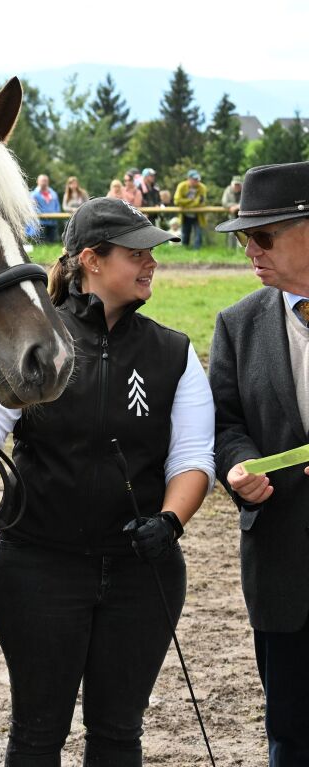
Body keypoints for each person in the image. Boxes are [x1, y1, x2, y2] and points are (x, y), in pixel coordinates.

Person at [0, 196, 214, 766]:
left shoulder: (173, 352)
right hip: (37, 569)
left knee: (119, 733)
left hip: (139, 572)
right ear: (91, 261)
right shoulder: (34, 341)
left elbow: (193, 458)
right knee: (36, 734)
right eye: (137, 253)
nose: (152, 264)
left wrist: (169, 521)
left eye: (152, 253)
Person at [210, 160, 309, 766]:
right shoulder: (237, 324)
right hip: (281, 571)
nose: (250, 249)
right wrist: (240, 466)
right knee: (291, 737)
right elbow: (225, 424)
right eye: (244, 237)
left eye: (263, 235)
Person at [174, 169, 208, 249]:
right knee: (185, 234)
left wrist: (186, 204)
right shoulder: (181, 186)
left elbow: (202, 202)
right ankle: (185, 250)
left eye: (198, 179)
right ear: (189, 179)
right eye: (195, 179)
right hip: (185, 215)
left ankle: (197, 252)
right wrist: (192, 200)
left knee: (198, 234)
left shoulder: (202, 187)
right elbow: (177, 201)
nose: (197, 181)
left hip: (198, 215)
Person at [31, 173, 61, 243]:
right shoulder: (34, 194)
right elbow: (33, 206)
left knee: (52, 241)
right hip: (40, 221)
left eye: (45, 180)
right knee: (41, 242)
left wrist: (56, 214)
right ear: (37, 181)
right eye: (42, 180)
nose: (44, 182)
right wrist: (40, 214)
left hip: (52, 220)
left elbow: (57, 205)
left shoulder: (53, 193)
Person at [221, 175, 243, 249]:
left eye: (238, 184)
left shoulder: (244, 190)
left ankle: (240, 251)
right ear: (232, 184)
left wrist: (237, 206)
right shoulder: (228, 190)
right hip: (232, 215)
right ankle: (230, 250)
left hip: (242, 216)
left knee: (242, 233)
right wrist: (236, 206)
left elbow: (247, 202)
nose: (237, 186)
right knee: (231, 233)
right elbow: (224, 203)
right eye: (235, 184)